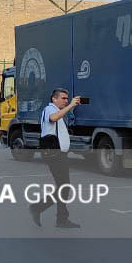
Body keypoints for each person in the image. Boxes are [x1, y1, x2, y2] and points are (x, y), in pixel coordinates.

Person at [32, 88, 82, 229]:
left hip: (59, 154)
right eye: (63, 98)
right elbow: (53, 118)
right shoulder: (49, 109)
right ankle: (48, 213)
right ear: (54, 99)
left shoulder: (57, 110)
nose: (66, 101)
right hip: (55, 154)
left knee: (63, 187)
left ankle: (59, 217)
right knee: (64, 186)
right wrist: (71, 106)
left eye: (67, 99)